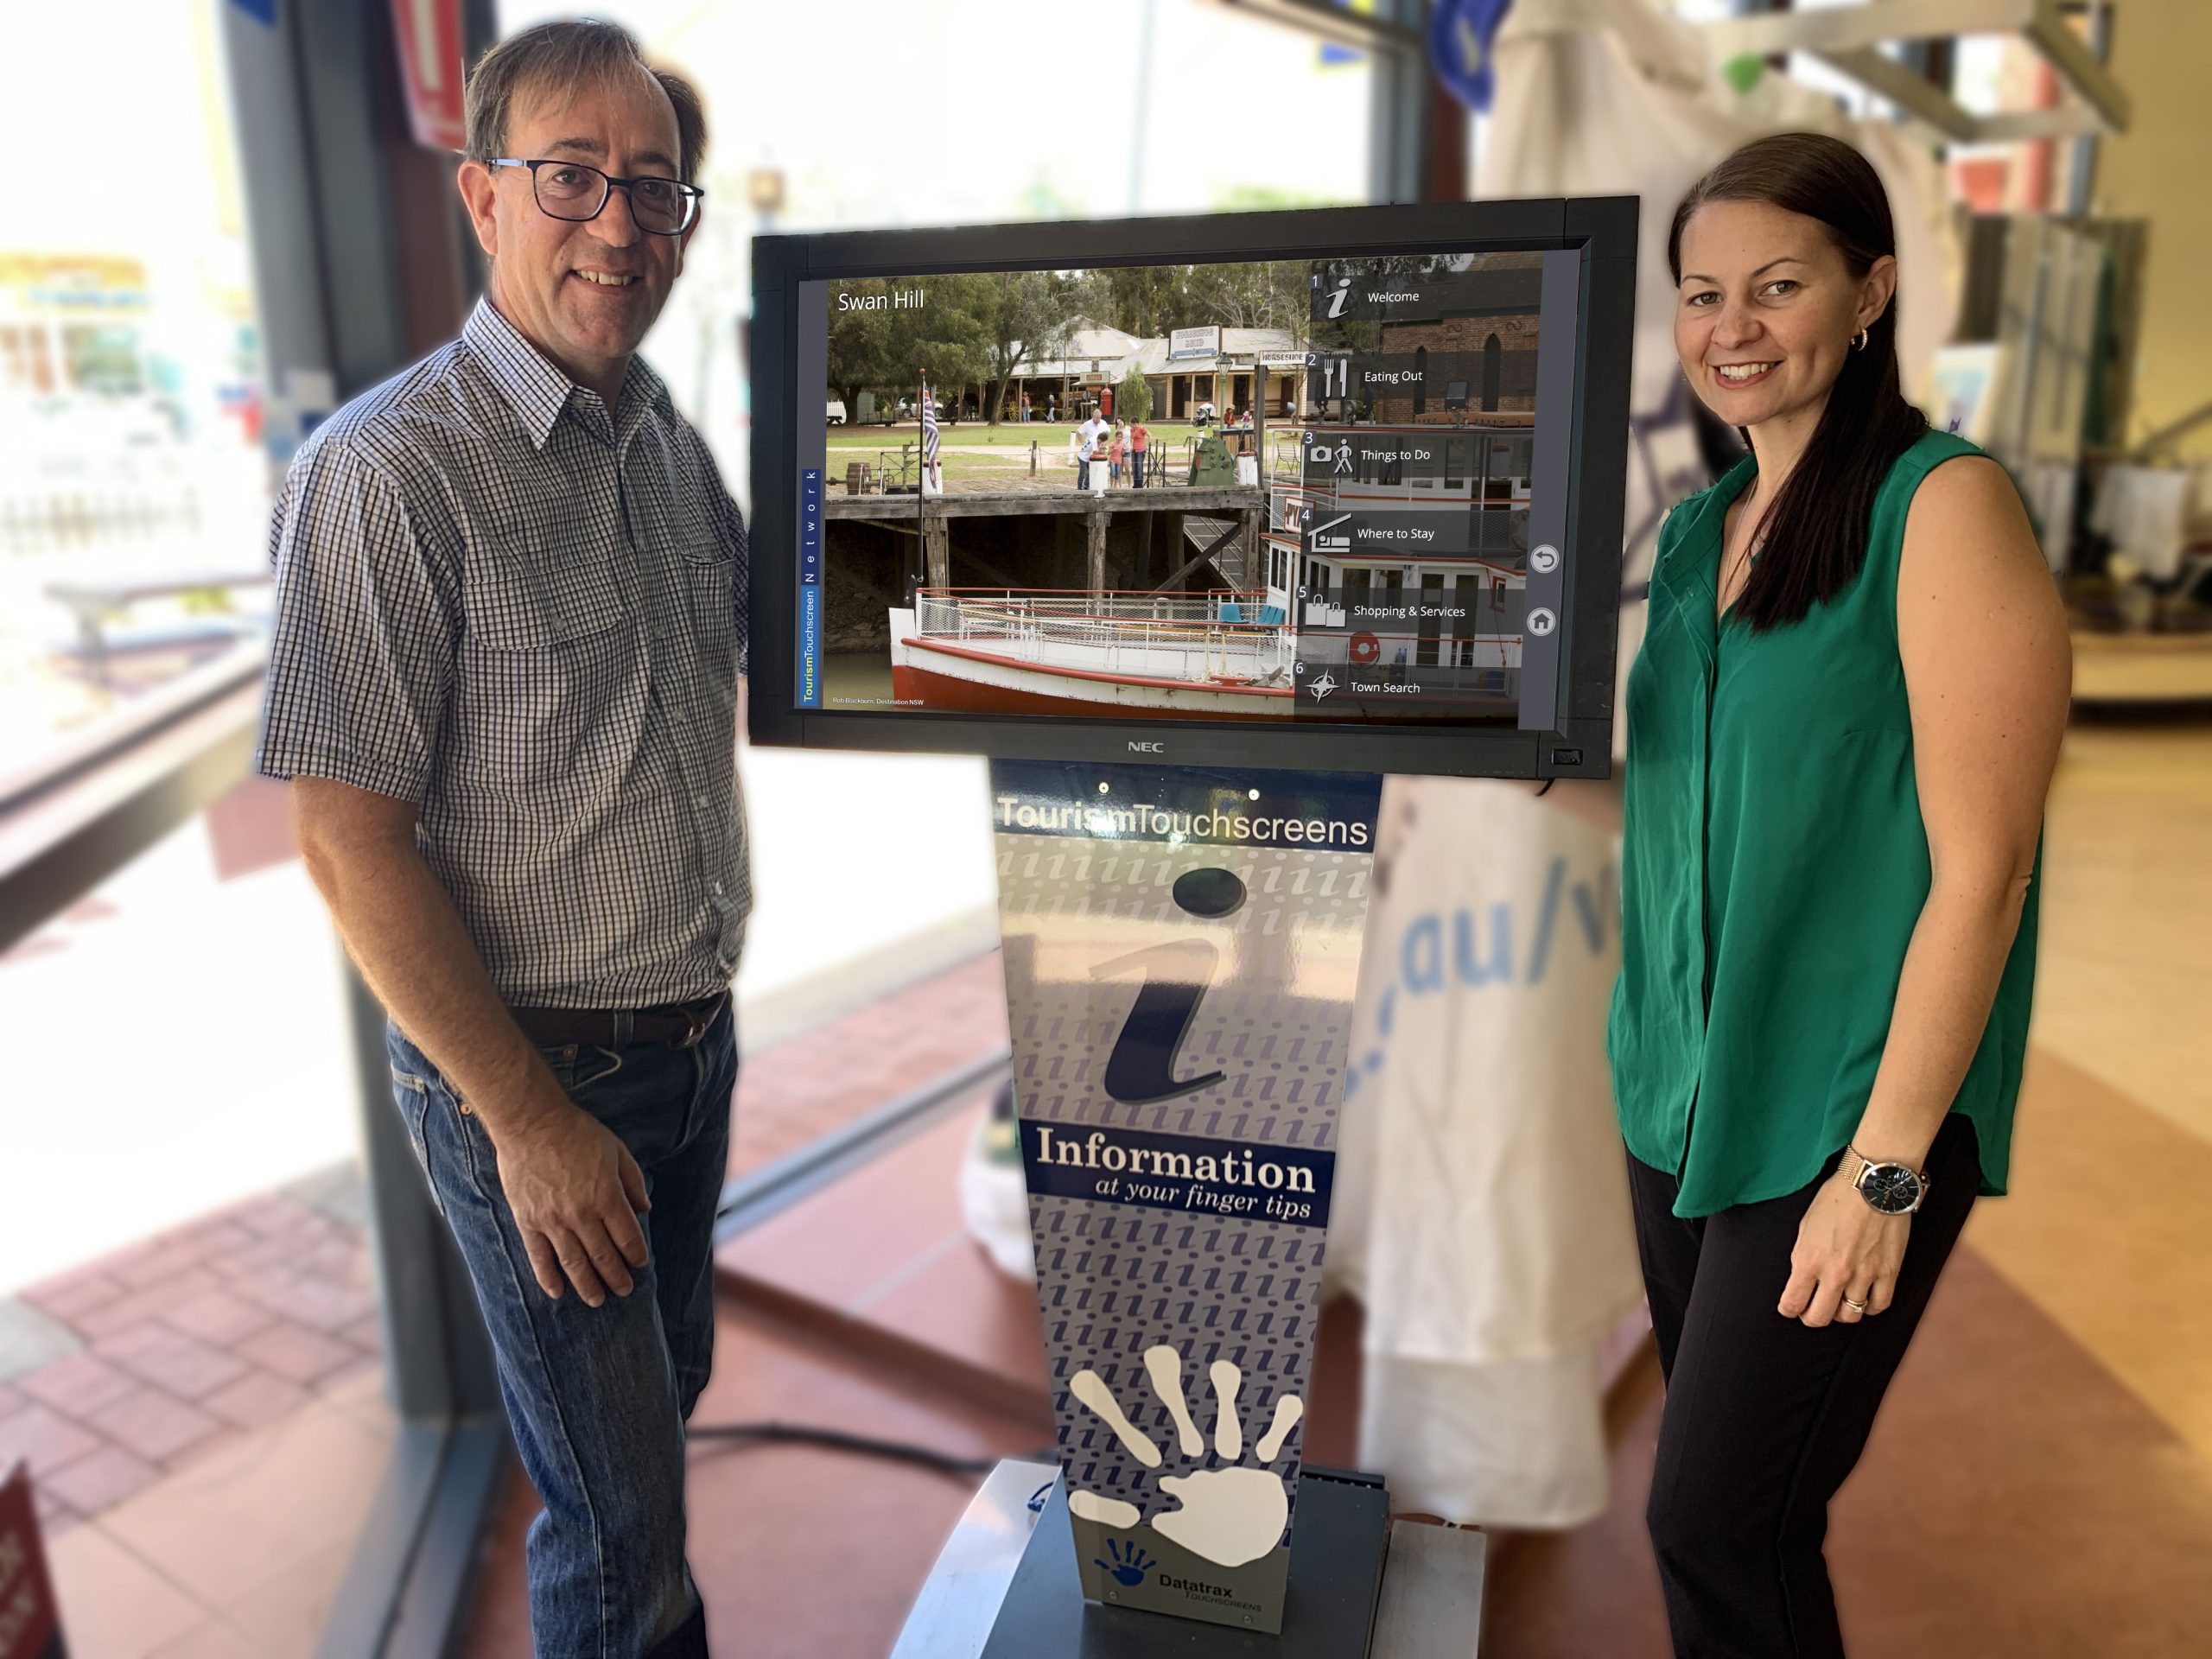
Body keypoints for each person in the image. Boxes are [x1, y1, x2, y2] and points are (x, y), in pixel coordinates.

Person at [253, 22, 748, 1658]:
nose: (621, 221)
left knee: (654, 1431)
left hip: (689, 1051)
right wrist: (531, 1126)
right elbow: (346, 844)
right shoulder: (387, 474)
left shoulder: (664, 447)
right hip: (540, 1085)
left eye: (656, 188)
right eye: (574, 178)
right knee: (618, 1542)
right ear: (481, 198)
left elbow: (807, 633)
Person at [1607, 132, 2068, 1658]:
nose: (1729, 327)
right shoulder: (1699, 532)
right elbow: (1693, 791)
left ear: (1871, 291)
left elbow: (1985, 865)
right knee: (1743, 1512)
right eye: (1700, 294)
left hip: (1841, 1110)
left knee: (1716, 1526)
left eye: (1777, 286)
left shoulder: (1941, 507)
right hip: (1682, 1090)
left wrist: (1885, 1172)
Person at [1128, 413, 1148, 489]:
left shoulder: (1141, 428)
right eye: (1132, 424)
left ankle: (1140, 485)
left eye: (1135, 424)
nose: (1134, 426)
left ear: (1138, 423)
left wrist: (1146, 445)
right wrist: (1131, 446)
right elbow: (1132, 439)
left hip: (1141, 450)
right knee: (1134, 467)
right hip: (1134, 450)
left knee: (1139, 467)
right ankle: (1135, 483)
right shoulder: (1131, 430)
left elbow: (1149, 435)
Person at [1108, 420, 1126, 486]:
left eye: (1120, 437)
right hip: (1112, 460)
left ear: (1122, 437)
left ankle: (1115, 485)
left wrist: (1124, 450)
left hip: (1118, 461)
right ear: (1116, 437)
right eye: (1118, 437)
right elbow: (1108, 453)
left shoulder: (1123, 444)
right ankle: (1111, 484)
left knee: (1117, 474)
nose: (1119, 438)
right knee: (1113, 472)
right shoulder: (1112, 444)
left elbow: (1123, 454)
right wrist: (1112, 450)